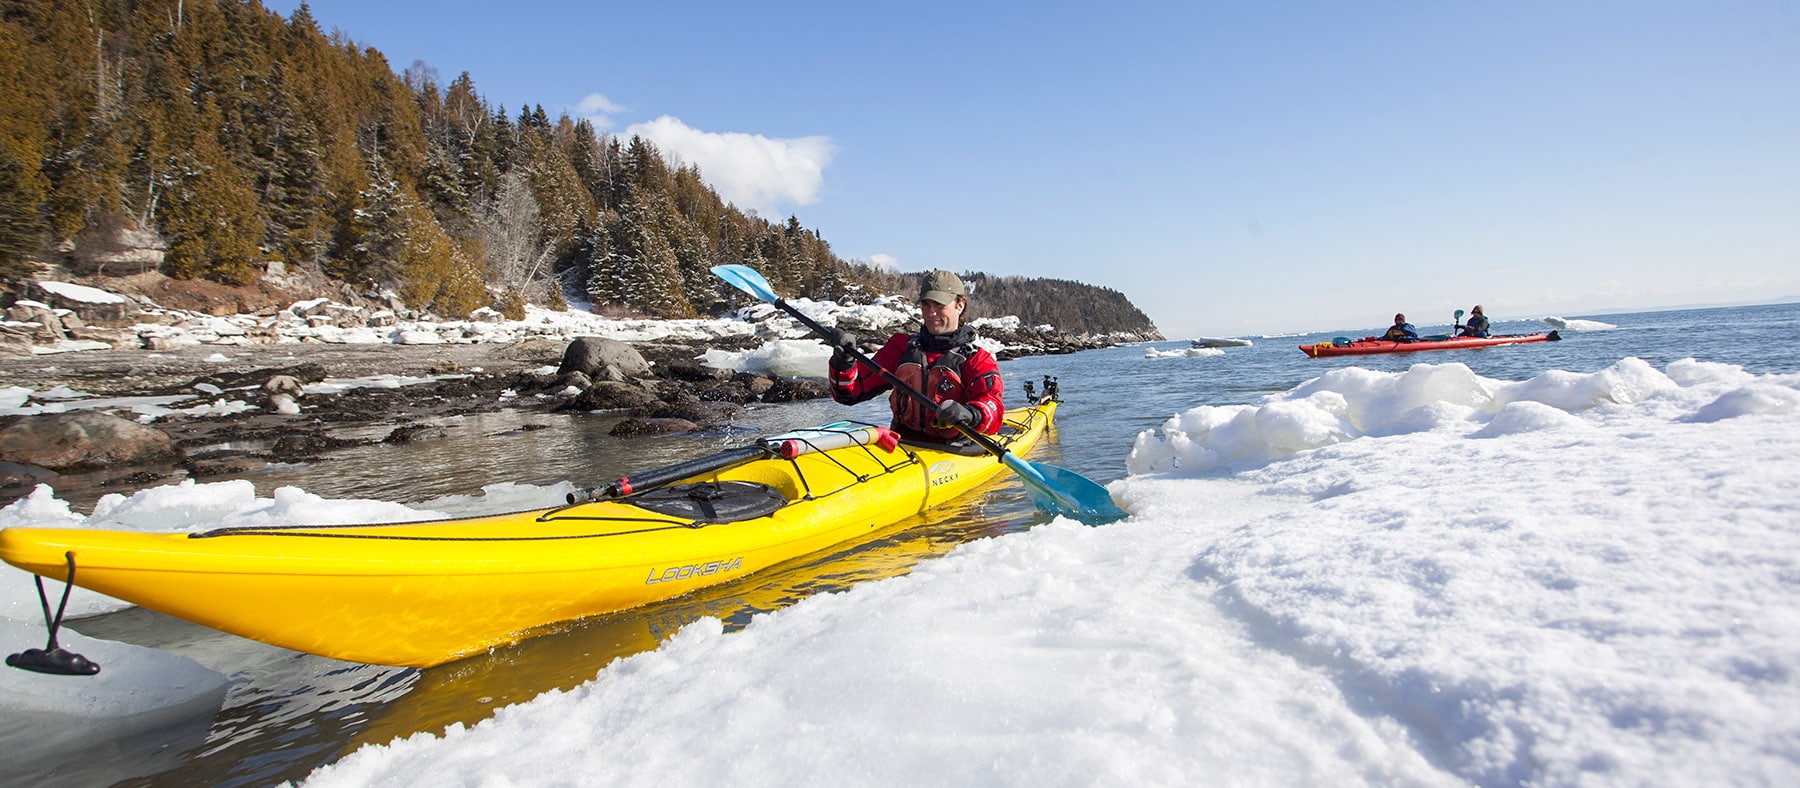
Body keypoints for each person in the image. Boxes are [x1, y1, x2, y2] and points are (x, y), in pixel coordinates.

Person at [825, 270, 1005, 442]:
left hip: (955, 449)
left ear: (960, 305)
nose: (931, 312)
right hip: (903, 445)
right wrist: (844, 363)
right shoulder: (900, 347)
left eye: (939, 305)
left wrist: (970, 414)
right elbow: (849, 394)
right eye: (926, 304)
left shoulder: (977, 359)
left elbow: (994, 408)